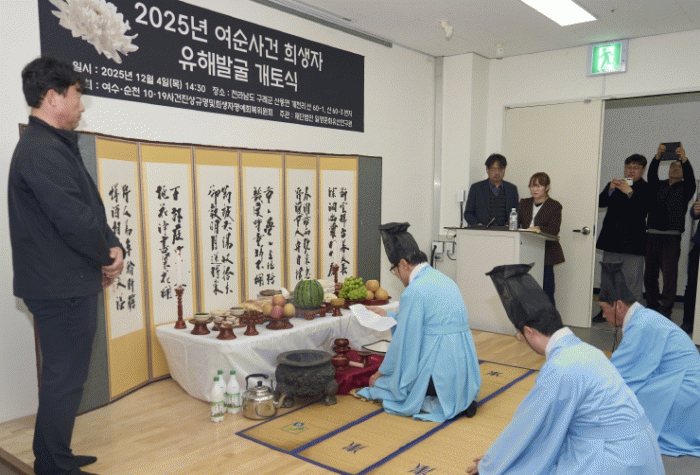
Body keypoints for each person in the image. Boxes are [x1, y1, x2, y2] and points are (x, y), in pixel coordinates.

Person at [8, 57, 124, 475]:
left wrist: (112, 245)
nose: (81, 105)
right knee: (64, 378)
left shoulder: (53, 145)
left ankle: (54, 454)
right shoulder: (41, 150)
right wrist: (106, 258)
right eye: (77, 95)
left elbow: (88, 209)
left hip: (66, 281)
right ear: (52, 96)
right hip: (60, 287)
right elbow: (73, 220)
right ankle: (53, 465)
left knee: (65, 377)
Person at [466, 264, 664, 475]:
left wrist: (492, 462)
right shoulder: (588, 350)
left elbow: (528, 425)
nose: (521, 340)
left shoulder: (560, 366)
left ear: (529, 332)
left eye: (520, 336)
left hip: (613, 459)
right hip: (641, 451)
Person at [356, 222, 481, 422]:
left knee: (386, 385)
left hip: (439, 374)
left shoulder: (414, 290)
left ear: (403, 264)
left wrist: (381, 372)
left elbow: (404, 341)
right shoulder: (443, 279)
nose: (397, 276)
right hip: (464, 373)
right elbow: (424, 324)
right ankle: (458, 398)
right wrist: (388, 315)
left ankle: (441, 398)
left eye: (394, 269)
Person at [598, 261, 700, 457]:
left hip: (686, 390)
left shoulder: (642, 325)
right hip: (686, 384)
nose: (603, 315)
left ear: (619, 306)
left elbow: (618, 373)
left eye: (604, 309)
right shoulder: (643, 318)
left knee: (626, 399)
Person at [594, 153, 650, 322]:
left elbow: (643, 211)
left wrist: (630, 192)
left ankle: (633, 316)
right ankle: (606, 312)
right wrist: (610, 190)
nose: (631, 171)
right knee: (608, 281)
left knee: (631, 283)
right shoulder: (616, 184)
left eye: (635, 168)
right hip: (612, 240)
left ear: (642, 170)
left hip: (633, 244)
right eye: (628, 167)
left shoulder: (646, 188)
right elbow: (599, 203)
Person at [644, 142, 695, 317]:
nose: (675, 169)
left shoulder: (686, 188)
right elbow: (651, 174)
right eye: (673, 166)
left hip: (671, 238)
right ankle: (652, 305)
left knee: (669, 276)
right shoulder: (658, 185)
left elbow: (690, 177)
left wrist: (684, 159)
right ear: (668, 170)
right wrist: (657, 157)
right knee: (650, 274)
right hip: (652, 235)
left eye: (679, 167)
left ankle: (666, 310)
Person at [517, 172, 564, 306]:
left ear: (547, 187)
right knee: (526, 292)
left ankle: (551, 319)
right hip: (526, 250)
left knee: (546, 291)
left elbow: (554, 230)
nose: (535, 189)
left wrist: (538, 228)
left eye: (539, 186)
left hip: (546, 254)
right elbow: (516, 223)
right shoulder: (524, 203)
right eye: (532, 186)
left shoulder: (554, 205)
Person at [464, 153, 519, 227]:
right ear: (487, 170)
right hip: (482, 231)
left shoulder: (512, 189)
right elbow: (468, 213)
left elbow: (517, 213)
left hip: (505, 231)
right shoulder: (476, 188)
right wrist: (477, 225)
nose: (497, 173)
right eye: (493, 169)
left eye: (500, 169)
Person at [683, 199, 700, 334]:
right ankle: (688, 321)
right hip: (698, 246)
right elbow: (694, 213)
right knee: (692, 285)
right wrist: (695, 210)